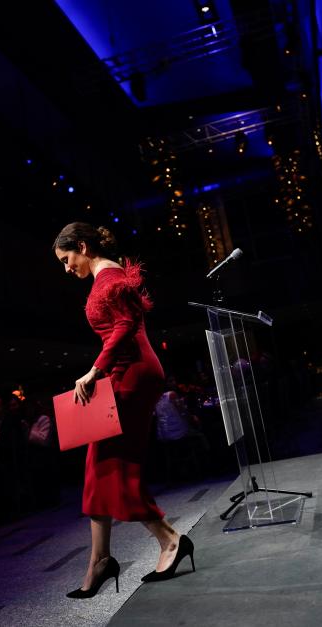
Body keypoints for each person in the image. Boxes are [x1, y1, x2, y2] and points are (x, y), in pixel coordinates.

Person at [53, 222, 195, 598]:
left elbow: (126, 324)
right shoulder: (104, 278)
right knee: (98, 465)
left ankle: (169, 540)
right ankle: (100, 560)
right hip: (124, 372)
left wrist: (94, 370)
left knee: (115, 464)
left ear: (82, 247)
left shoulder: (110, 277)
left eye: (67, 259)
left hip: (131, 374)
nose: (67, 269)